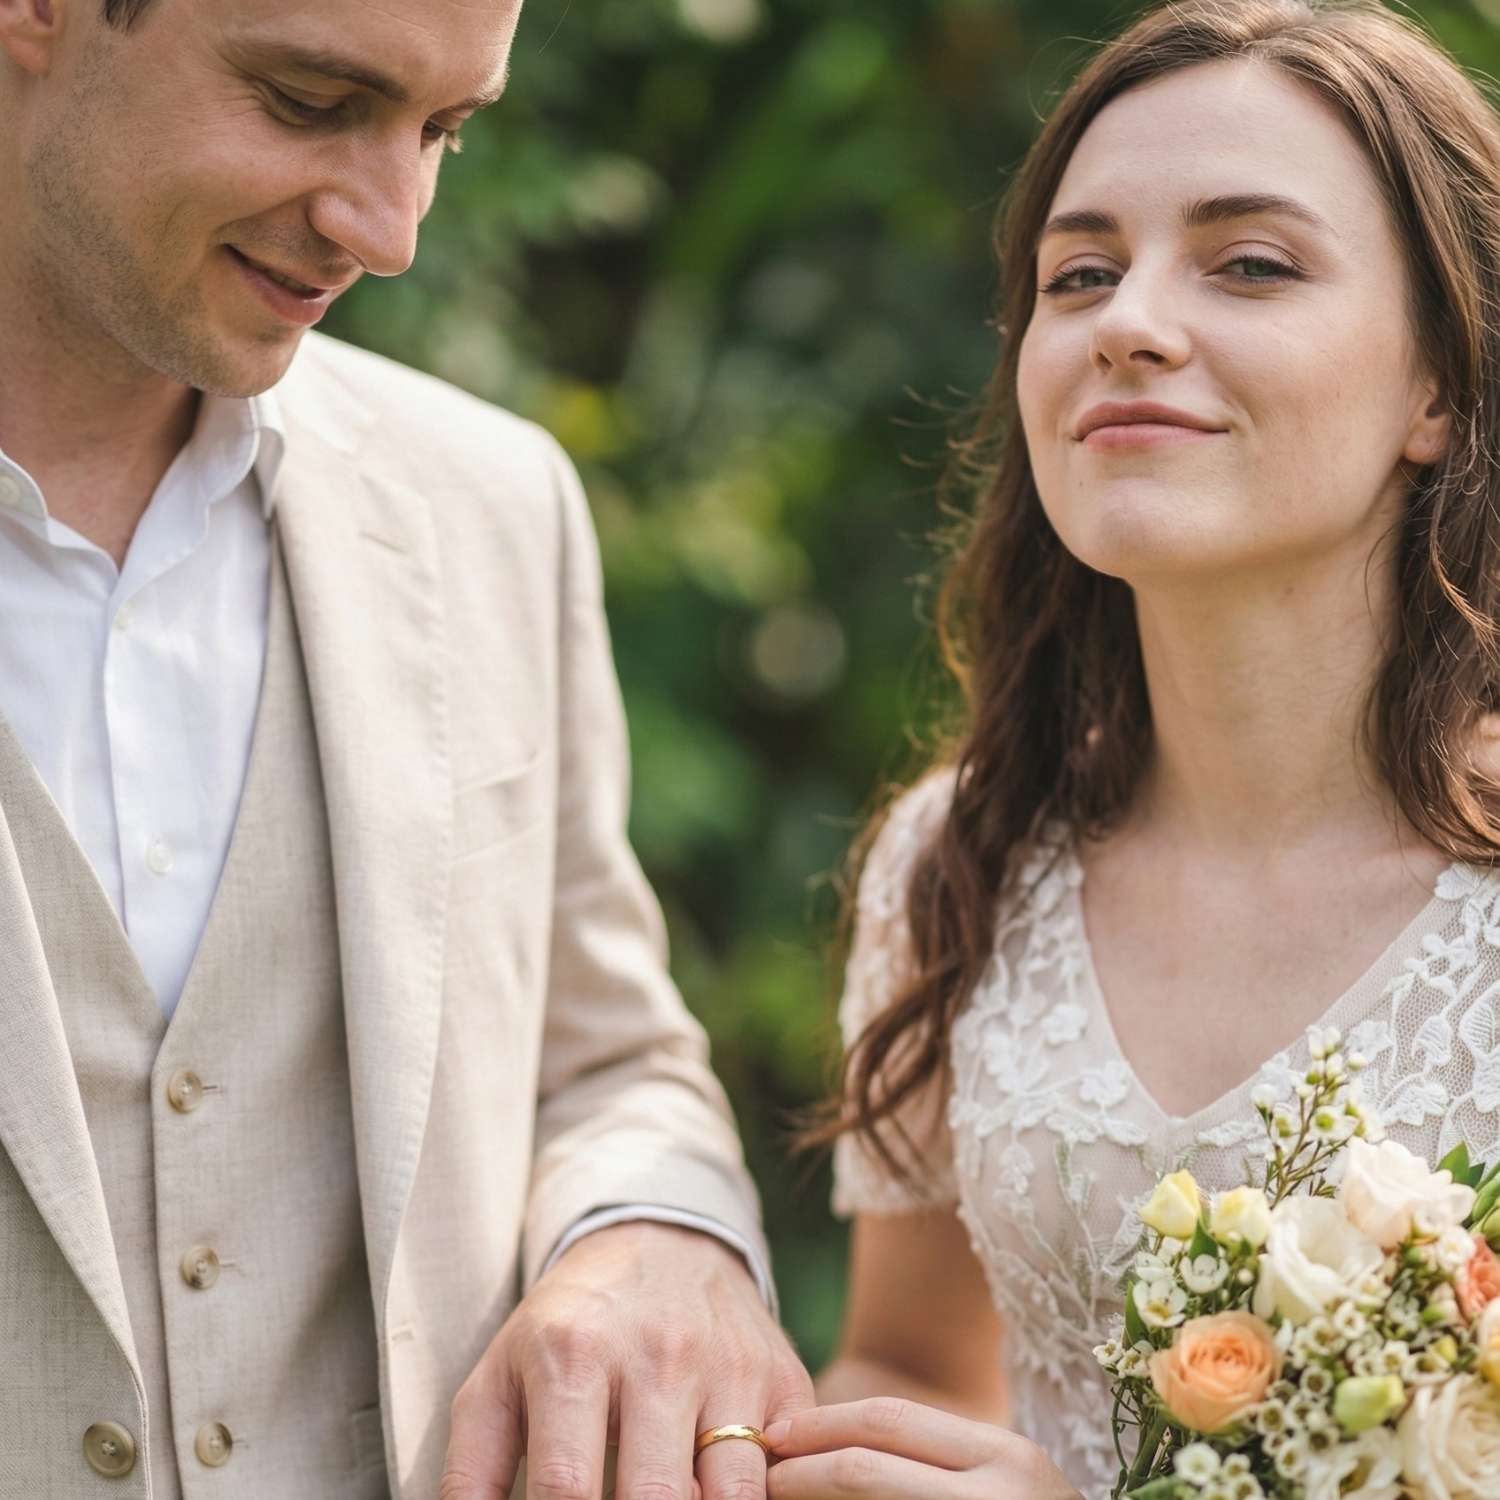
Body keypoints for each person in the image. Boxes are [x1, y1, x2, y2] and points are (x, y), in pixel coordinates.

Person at [0, 0, 811, 1496]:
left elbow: (608, 1058)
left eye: (445, 132)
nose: (389, 231)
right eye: (312, 99)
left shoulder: (493, 507)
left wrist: (649, 1236)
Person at [766, 1, 1500, 1496]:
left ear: (1437, 383)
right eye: (1079, 273)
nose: (1128, 323)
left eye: (1250, 264)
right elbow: (908, 1361)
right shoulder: (956, 860)